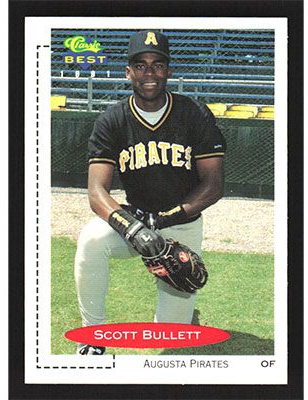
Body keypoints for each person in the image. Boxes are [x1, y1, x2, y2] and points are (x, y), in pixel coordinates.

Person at [74, 30, 227, 355]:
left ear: (168, 70)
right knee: (91, 241)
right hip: (136, 222)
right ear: (128, 72)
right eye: (141, 65)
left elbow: (213, 185)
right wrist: (132, 227)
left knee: (168, 338)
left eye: (157, 65)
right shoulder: (112, 120)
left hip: (182, 224)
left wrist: (164, 220)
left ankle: (183, 316)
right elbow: (96, 192)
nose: (149, 73)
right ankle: (92, 336)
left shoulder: (194, 113)